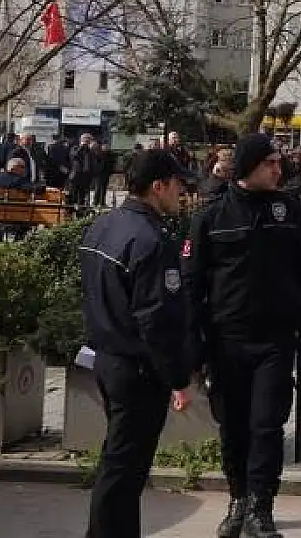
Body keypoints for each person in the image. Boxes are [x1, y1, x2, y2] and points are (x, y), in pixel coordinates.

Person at [185, 133, 301, 538]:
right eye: (270, 163)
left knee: (267, 425)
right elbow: (193, 284)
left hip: (274, 338)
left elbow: (299, 269)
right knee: (233, 425)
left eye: (278, 162)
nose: (278, 169)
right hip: (228, 339)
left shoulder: (287, 209)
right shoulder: (212, 215)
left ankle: (261, 506)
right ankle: (237, 497)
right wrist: (195, 348)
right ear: (250, 166)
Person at [79, 150, 194, 538]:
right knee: (124, 470)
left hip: (107, 358)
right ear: (157, 187)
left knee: (121, 465)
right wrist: (178, 377)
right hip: (137, 369)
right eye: (178, 185)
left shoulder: (103, 226)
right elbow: (157, 320)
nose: (183, 192)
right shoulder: (152, 241)